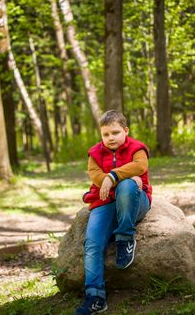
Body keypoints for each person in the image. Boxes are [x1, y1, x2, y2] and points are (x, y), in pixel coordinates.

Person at [75, 110, 152, 315]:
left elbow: (140, 166)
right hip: (104, 202)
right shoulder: (94, 154)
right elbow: (96, 177)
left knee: (127, 186)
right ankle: (95, 297)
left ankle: (125, 237)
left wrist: (114, 176)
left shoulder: (137, 148)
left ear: (126, 131)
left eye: (115, 132)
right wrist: (115, 178)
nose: (111, 138)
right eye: (106, 134)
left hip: (135, 201)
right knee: (92, 243)